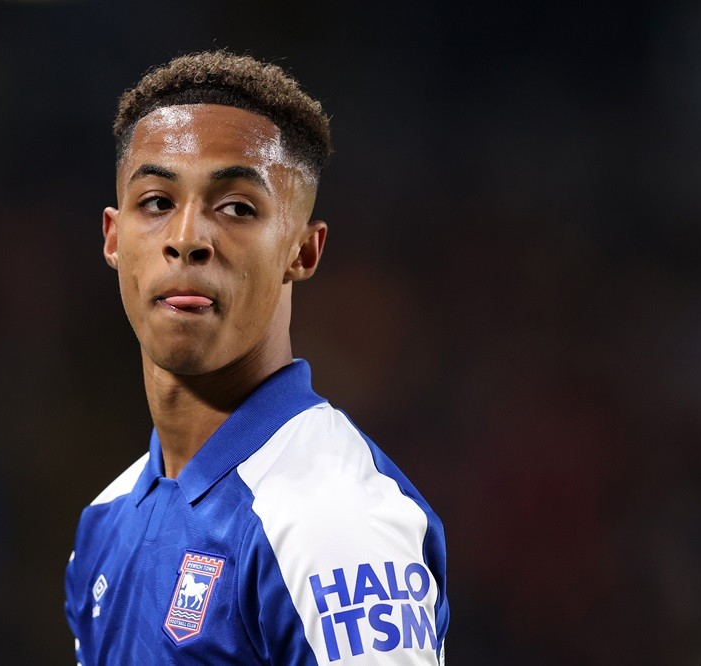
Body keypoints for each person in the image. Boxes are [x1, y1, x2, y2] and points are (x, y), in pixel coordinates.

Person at [65, 50, 449, 665]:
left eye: (237, 208)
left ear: (302, 250)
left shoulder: (332, 521)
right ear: (113, 237)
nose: (187, 238)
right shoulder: (104, 523)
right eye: (157, 202)